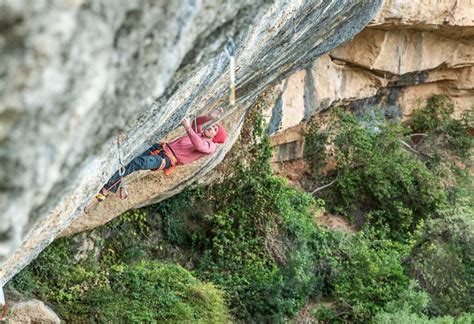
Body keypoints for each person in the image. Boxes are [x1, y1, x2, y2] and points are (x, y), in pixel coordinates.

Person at [96, 109, 227, 201]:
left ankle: (106, 188)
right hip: (161, 148)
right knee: (132, 161)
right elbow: (195, 123)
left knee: (138, 163)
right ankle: (111, 187)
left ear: (216, 137)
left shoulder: (211, 146)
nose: (212, 127)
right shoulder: (200, 134)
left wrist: (187, 128)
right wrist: (209, 117)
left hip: (166, 159)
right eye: (213, 126)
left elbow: (198, 145)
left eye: (215, 129)